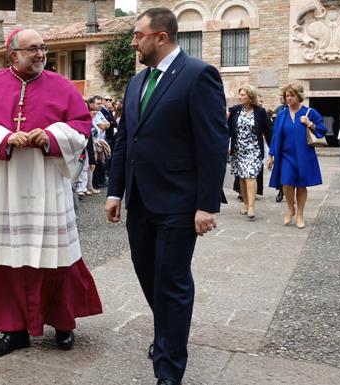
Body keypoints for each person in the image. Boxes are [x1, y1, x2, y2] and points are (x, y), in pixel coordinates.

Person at [0, 28, 103, 357]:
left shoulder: (63, 87)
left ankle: (63, 323)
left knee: (56, 258)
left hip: (46, 184)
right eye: (33, 49)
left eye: (43, 48)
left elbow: (82, 128)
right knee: (4, 261)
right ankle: (14, 331)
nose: (41, 54)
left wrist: (50, 136)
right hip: (4, 187)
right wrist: (4, 138)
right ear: (13, 55)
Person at [105, 8, 228, 385]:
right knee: (148, 275)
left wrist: (206, 203)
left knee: (172, 282)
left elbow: (212, 143)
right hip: (140, 200)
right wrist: (114, 191)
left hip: (179, 200)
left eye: (138, 35)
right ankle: (168, 334)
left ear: (161, 37)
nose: (133, 43)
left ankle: (169, 368)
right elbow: (126, 138)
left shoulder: (197, 75)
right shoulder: (137, 83)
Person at [268, 83, 326, 229]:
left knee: (301, 185)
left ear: (299, 96)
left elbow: (322, 130)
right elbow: (275, 136)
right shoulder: (281, 115)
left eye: (292, 95)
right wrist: (271, 155)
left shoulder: (309, 112)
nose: (289, 98)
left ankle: (300, 214)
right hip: (285, 155)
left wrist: (310, 124)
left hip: (304, 155)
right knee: (286, 183)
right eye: (287, 96)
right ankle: (291, 208)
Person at [228, 85, 271, 220]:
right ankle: (245, 204)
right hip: (238, 150)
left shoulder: (260, 112)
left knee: (250, 176)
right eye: (240, 95)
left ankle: (251, 207)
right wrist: (227, 145)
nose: (240, 97)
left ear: (250, 96)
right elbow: (228, 130)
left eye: (243, 95)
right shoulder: (235, 110)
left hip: (254, 150)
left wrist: (272, 152)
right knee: (242, 176)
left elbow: (268, 132)